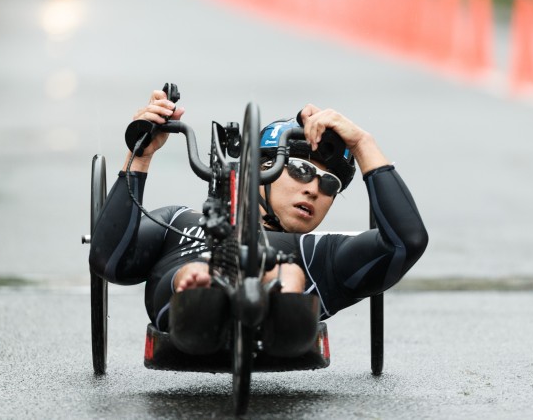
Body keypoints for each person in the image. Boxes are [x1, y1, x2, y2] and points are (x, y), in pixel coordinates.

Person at [89, 89, 428, 332]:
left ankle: (277, 289)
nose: (313, 188)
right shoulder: (179, 222)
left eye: (330, 186)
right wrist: (141, 156)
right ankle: (200, 286)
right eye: (300, 170)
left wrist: (362, 143)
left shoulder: (322, 254)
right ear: (260, 170)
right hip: (189, 310)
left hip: (281, 323)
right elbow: (110, 261)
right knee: (194, 275)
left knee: (291, 273)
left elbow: (406, 242)